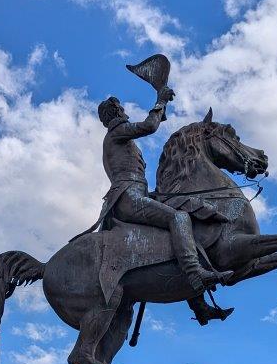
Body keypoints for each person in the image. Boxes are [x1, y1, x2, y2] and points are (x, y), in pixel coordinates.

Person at [87, 89, 230, 295]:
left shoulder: (116, 138)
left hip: (136, 194)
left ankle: (197, 300)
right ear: (117, 111)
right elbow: (149, 126)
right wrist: (160, 102)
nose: (125, 112)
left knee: (177, 222)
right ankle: (194, 272)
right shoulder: (117, 131)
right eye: (121, 109)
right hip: (129, 196)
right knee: (179, 218)